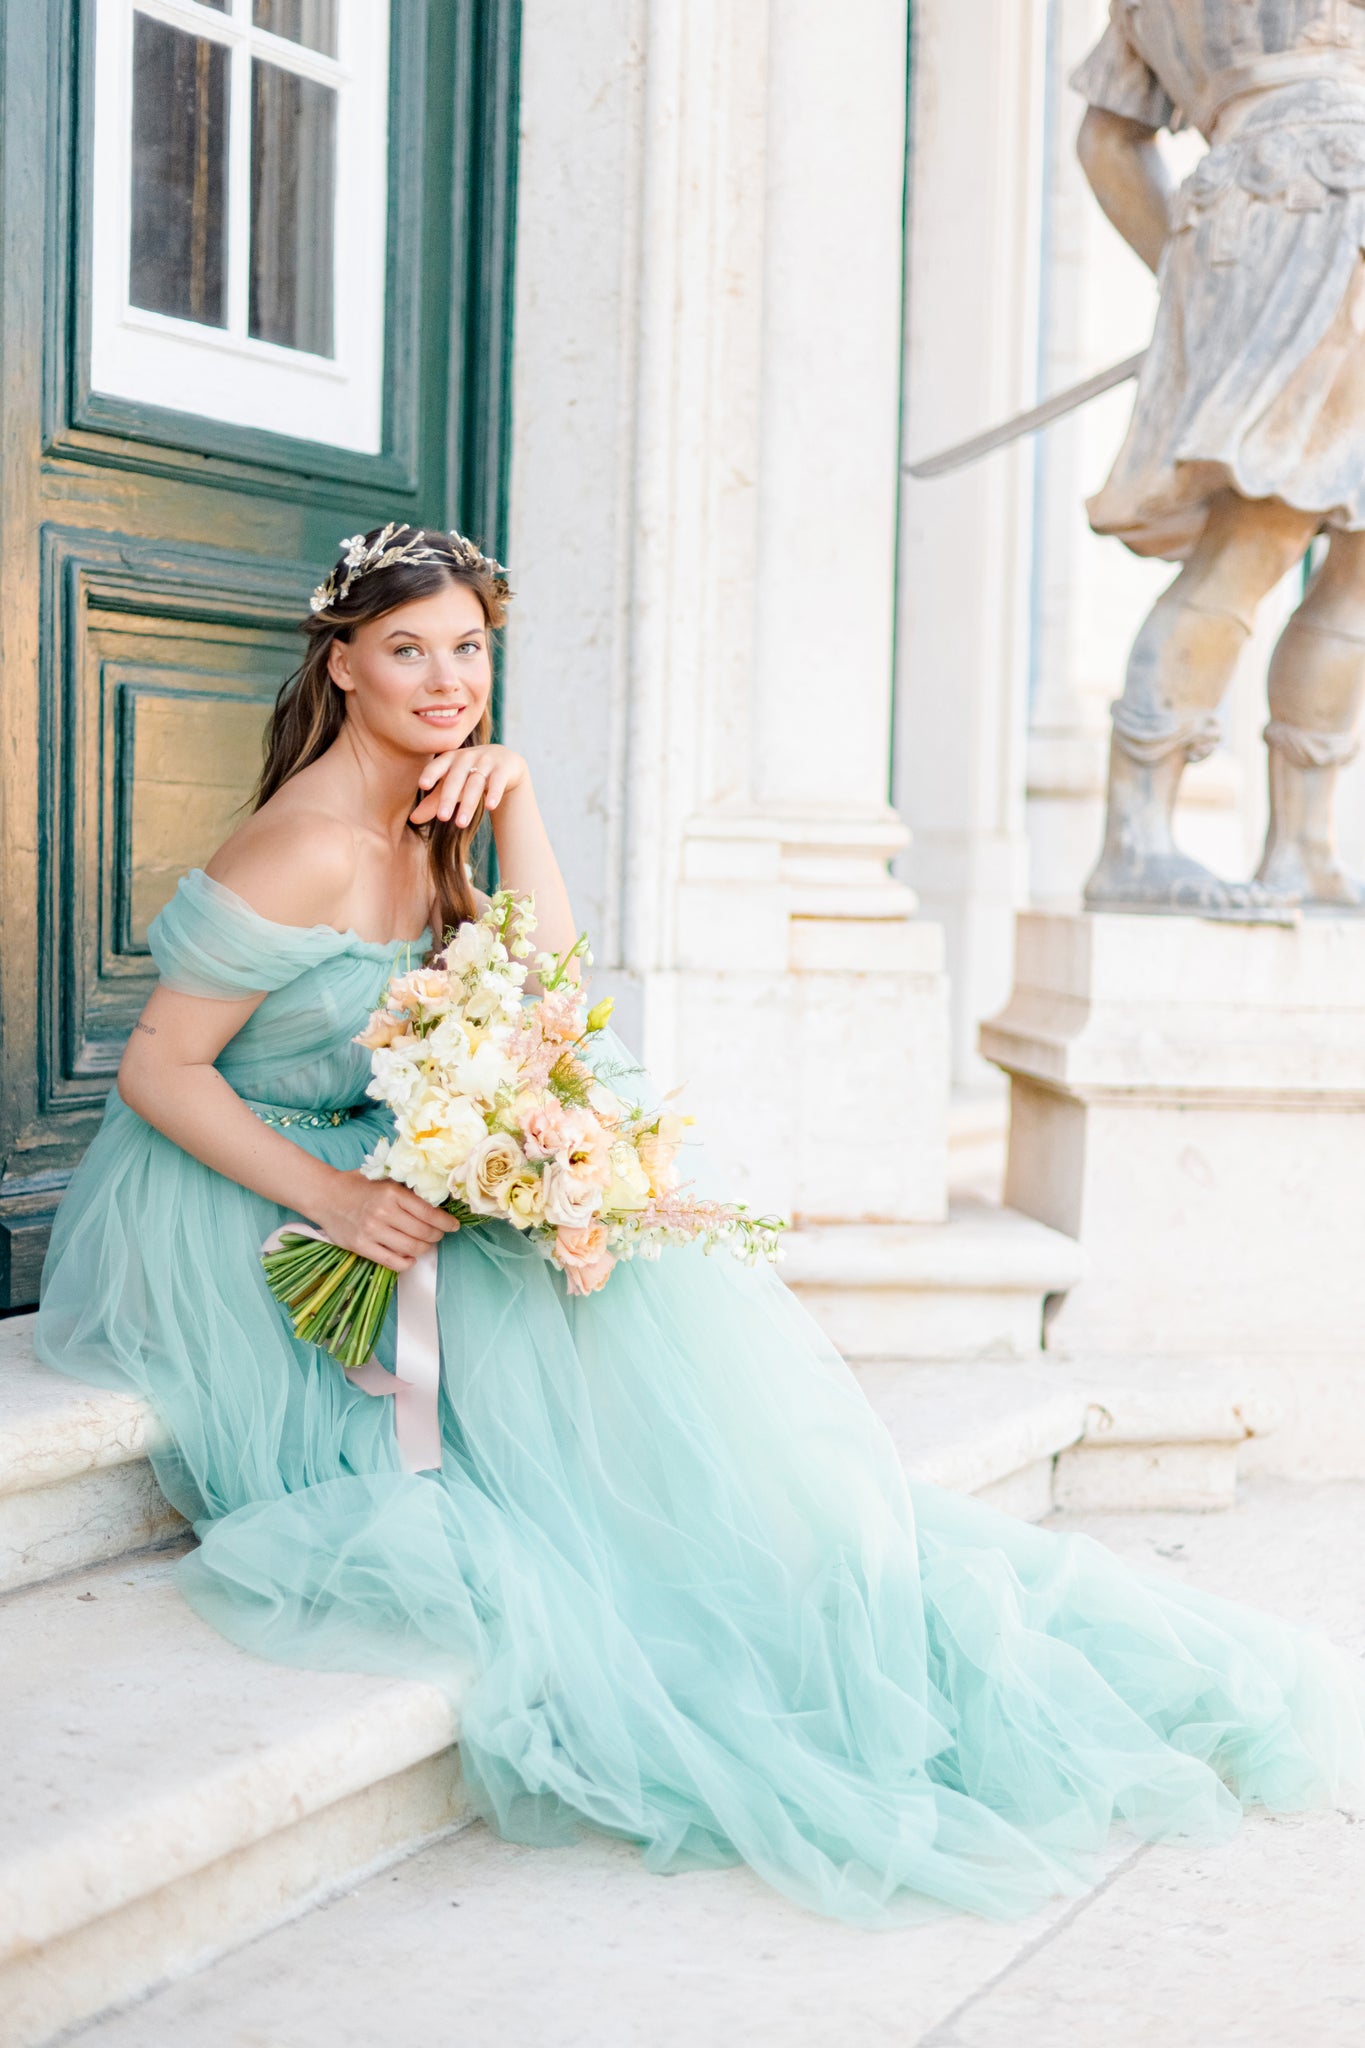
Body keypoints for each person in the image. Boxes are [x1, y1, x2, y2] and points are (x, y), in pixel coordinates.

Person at [35, 526, 1365, 1928]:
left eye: (468, 650)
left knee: (612, 1275)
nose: (445, 680)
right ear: (343, 663)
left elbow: (545, 986)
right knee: (534, 1358)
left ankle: (763, 1549)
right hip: (246, 1188)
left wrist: (522, 807)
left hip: (390, 1159)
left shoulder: (441, 807)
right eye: (407, 650)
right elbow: (158, 1072)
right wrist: (343, 1200)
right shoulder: (302, 841)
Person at [1074, 0, 1365, 915]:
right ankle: (1137, 839)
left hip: (1275, 206)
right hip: (1306, 200)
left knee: (1353, 554)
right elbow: (1107, 139)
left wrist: (1186, 272)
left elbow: (1104, 141)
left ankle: (1302, 848)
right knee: (1260, 532)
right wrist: (1194, 281)